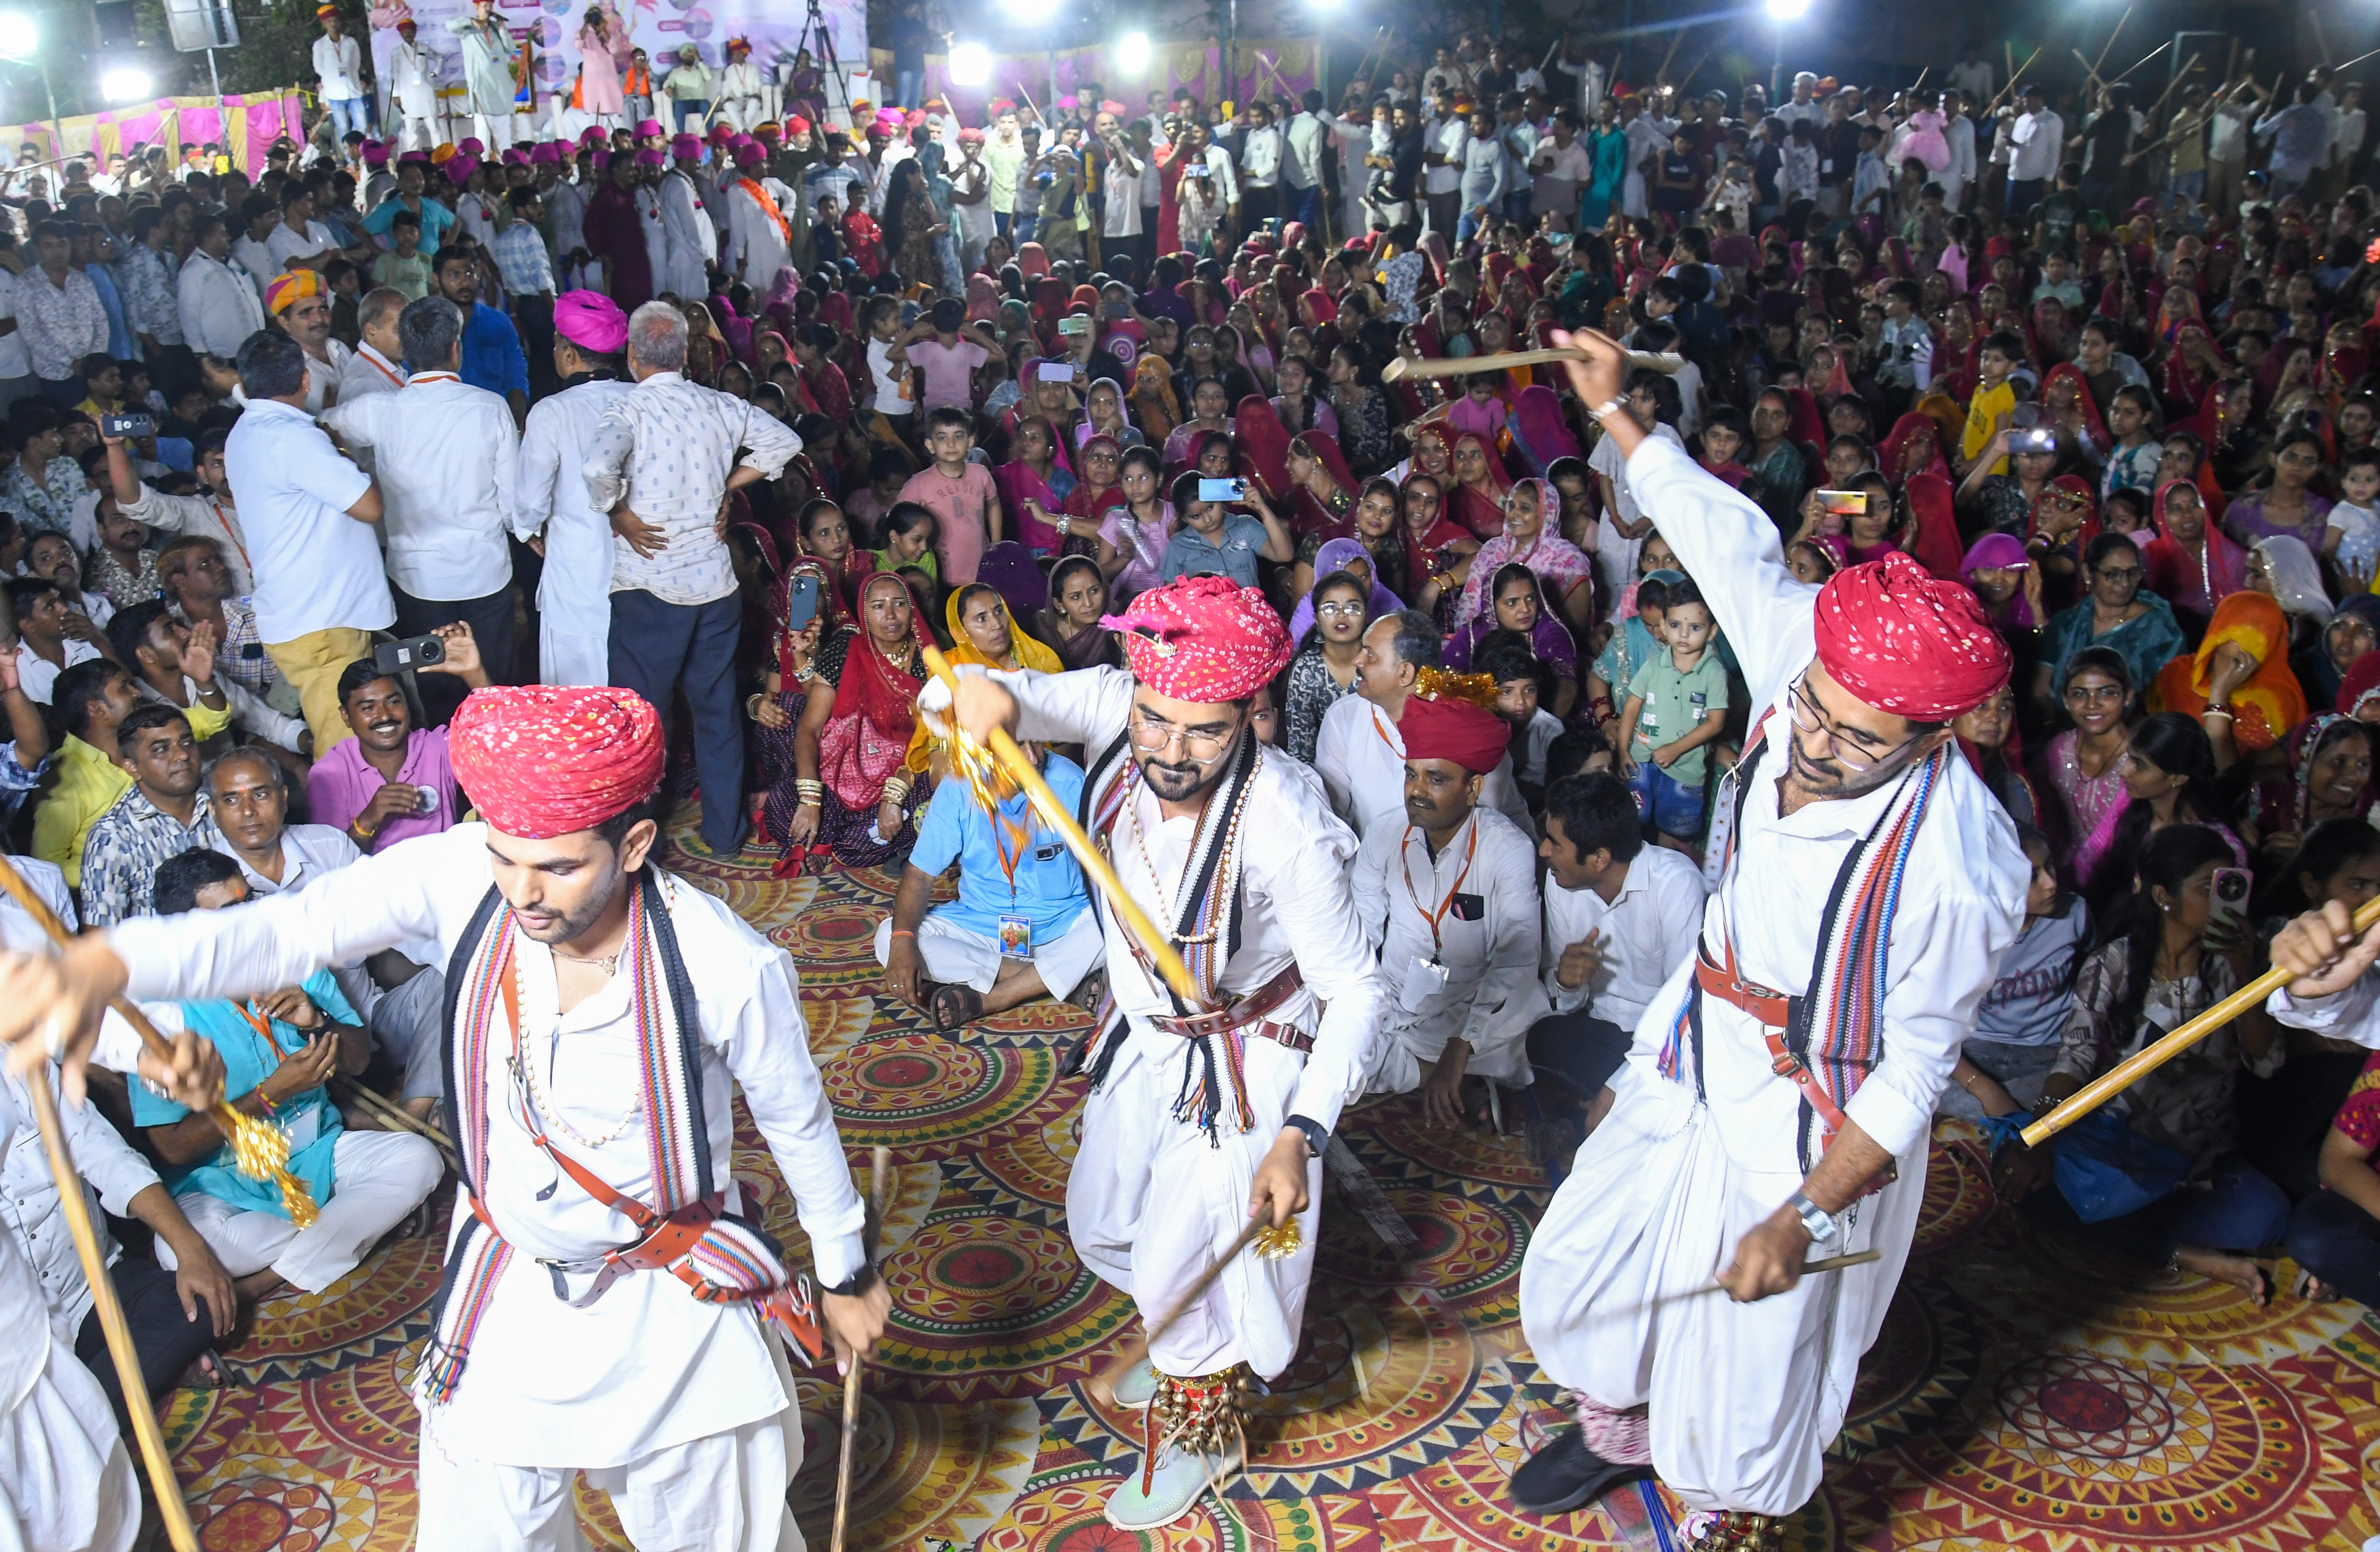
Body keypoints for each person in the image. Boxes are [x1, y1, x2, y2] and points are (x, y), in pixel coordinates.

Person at [33, 684, 891, 1549]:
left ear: (634, 844)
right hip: (512, 1288)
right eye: (506, 857)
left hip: (671, 1303)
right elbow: (288, 931)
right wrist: (109, 963)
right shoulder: (459, 871)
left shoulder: (725, 962)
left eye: (560, 867)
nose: (524, 892)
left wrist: (846, 1274)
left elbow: (796, 1119)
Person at [1508, 328, 2026, 1543]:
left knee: (1750, 1377)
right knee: (1594, 1256)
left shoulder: (1961, 865)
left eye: (1863, 740)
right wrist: (1620, 416)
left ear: (1937, 735)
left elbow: (1913, 1071)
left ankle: (1726, 1515)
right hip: (1694, 1035)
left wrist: (1804, 1215)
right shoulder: (1816, 663)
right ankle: (1617, 1430)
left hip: (1811, 1120)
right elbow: (1716, 532)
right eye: (1817, 713)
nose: (1817, 743)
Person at [939, 574, 1386, 1528]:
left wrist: (1300, 1134)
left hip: (1248, 1055)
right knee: (1105, 1214)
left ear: (1250, 713)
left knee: (1193, 1255)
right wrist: (979, 697)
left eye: (1203, 732)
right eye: (1153, 721)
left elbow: (1357, 990)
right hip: (1149, 1033)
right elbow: (992, 689)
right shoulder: (1117, 704)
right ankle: (1178, 1317)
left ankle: (1204, 1422)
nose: (1168, 752)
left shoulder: (1287, 828)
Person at [586, 301, 801, 858]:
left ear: (632, 355)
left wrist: (618, 513)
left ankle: (638, 844)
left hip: (649, 588)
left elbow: (596, 468)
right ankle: (725, 834)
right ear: (685, 353)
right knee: (716, 711)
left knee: (639, 718)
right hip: (714, 585)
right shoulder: (719, 405)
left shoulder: (628, 411)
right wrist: (727, 486)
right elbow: (784, 443)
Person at [207, 744, 448, 1119]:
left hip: (371, 1022)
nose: (249, 811)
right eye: (231, 800)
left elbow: (397, 920)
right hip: (294, 1052)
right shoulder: (210, 890)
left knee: (447, 978)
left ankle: (415, 1112)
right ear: (212, 811)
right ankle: (420, 1115)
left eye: (260, 794)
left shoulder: (329, 846)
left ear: (283, 797)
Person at [321, 295, 519, 720]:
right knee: (491, 688)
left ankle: (444, 777)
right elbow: (513, 500)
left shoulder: (381, 410)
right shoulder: (490, 408)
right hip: (485, 572)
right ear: (456, 349)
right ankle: (493, 778)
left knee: (433, 695)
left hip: (418, 580)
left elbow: (324, 425)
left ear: (407, 352)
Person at [1354, 684, 1539, 1123]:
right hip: (1393, 1000)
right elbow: (1359, 933)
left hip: (1469, 1010)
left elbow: (1516, 961)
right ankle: (1450, 1082)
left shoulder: (1507, 849)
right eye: (1411, 774)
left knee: (1523, 1020)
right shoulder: (1384, 834)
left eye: (1435, 779)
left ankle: (1451, 1071)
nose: (1417, 791)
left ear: (1473, 788)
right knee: (1315, 1035)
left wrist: (1460, 1048)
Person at [1523, 771, 1707, 1177]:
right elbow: (1571, 1004)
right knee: (1541, 1037)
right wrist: (1569, 984)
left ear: (1600, 858)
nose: (1544, 852)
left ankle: (1577, 1124)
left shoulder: (1674, 885)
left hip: (1667, 1047)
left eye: (1556, 843)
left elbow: (1688, 1011)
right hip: (1605, 1036)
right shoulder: (1563, 884)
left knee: (1682, 1087)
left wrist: (1621, 1083)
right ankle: (1609, 1124)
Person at [223, 329, 392, 755]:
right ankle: (349, 824)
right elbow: (370, 506)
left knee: (347, 736)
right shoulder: (293, 438)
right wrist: (344, 457)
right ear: (304, 381)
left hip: (304, 612)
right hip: (324, 620)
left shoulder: (244, 431)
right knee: (347, 750)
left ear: (244, 384)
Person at [874, 735, 1105, 1030]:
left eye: (1036, 743)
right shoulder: (959, 786)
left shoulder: (1070, 784)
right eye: (1017, 747)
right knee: (889, 938)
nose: (1034, 758)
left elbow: (1110, 878)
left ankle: (996, 997)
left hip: (1060, 929)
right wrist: (903, 940)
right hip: (985, 928)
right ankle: (1053, 979)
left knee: (1123, 922)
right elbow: (919, 877)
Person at [1314, 608, 1532, 840]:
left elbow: (1499, 816)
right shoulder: (1343, 719)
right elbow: (1334, 822)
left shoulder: (1470, 727)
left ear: (1405, 673)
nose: (1358, 661)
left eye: (1370, 655)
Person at [516, 291, 635, 688]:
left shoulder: (552, 412)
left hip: (577, 575)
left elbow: (530, 501)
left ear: (568, 355)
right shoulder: (642, 400)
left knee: (577, 697)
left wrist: (530, 529)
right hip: (642, 571)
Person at [306, 628, 490, 851]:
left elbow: (509, 738)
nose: (384, 716)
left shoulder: (437, 747)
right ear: (346, 716)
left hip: (443, 876)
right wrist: (367, 821)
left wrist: (473, 672)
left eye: (393, 702)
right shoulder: (329, 773)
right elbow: (329, 863)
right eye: (368, 708)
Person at [77, 703, 220, 928]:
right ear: (132, 768)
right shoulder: (113, 837)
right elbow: (102, 936)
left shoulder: (225, 801)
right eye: (161, 750)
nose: (182, 755)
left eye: (186, 742)